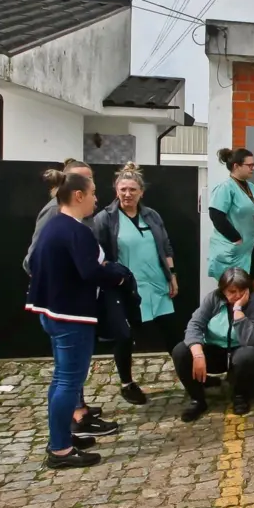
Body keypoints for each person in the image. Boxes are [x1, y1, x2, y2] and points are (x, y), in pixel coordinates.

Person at [26, 168, 125, 469]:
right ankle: (60, 451)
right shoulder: (75, 230)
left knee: (61, 380)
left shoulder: (55, 226)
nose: (96, 199)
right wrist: (118, 276)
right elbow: (91, 272)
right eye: (93, 193)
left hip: (52, 312)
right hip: (71, 316)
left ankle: (62, 437)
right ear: (79, 195)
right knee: (69, 382)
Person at [93, 163, 180, 405]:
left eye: (132, 189)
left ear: (141, 192)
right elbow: (99, 256)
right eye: (123, 189)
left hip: (157, 283)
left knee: (172, 333)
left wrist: (171, 275)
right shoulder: (105, 219)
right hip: (127, 289)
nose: (127, 194)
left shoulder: (152, 216)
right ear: (115, 190)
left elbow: (166, 246)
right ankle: (127, 384)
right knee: (124, 337)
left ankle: (190, 375)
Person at [171, 267, 254, 422]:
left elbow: (253, 339)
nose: (238, 295)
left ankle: (240, 396)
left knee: (249, 354)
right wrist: (198, 353)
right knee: (180, 351)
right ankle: (197, 400)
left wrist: (238, 312)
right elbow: (194, 325)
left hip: (238, 352)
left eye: (242, 290)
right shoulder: (212, 299)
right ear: (223, 291)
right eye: (232, 291)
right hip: (213, 350)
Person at [24, 158, 95, 275]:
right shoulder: (54, 210)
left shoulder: (88, 211)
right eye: (77, 178)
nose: (84, 183)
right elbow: (32, 259)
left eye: (88, 179)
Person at [208, 147, 254, 281]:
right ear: (236, 166)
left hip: (253, 246)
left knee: (249, 285)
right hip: (236, 248)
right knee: (233, 288)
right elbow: (216, 216)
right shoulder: (225, 188)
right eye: (249, 165)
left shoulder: (253, 188)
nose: (253, 168)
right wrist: (235, 238)